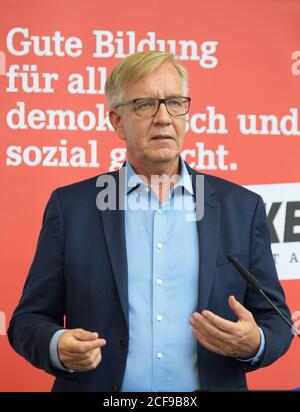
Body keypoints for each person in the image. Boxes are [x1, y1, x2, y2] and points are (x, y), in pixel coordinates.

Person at [8, 51, 293, 392]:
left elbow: (275, 320)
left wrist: (255, 343)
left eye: (175, 102)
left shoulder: (241, 208)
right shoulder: (71, 208)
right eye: (144, 104)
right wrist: (57, 346)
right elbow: (27, 321)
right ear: (116, 121)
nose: (163, 118)